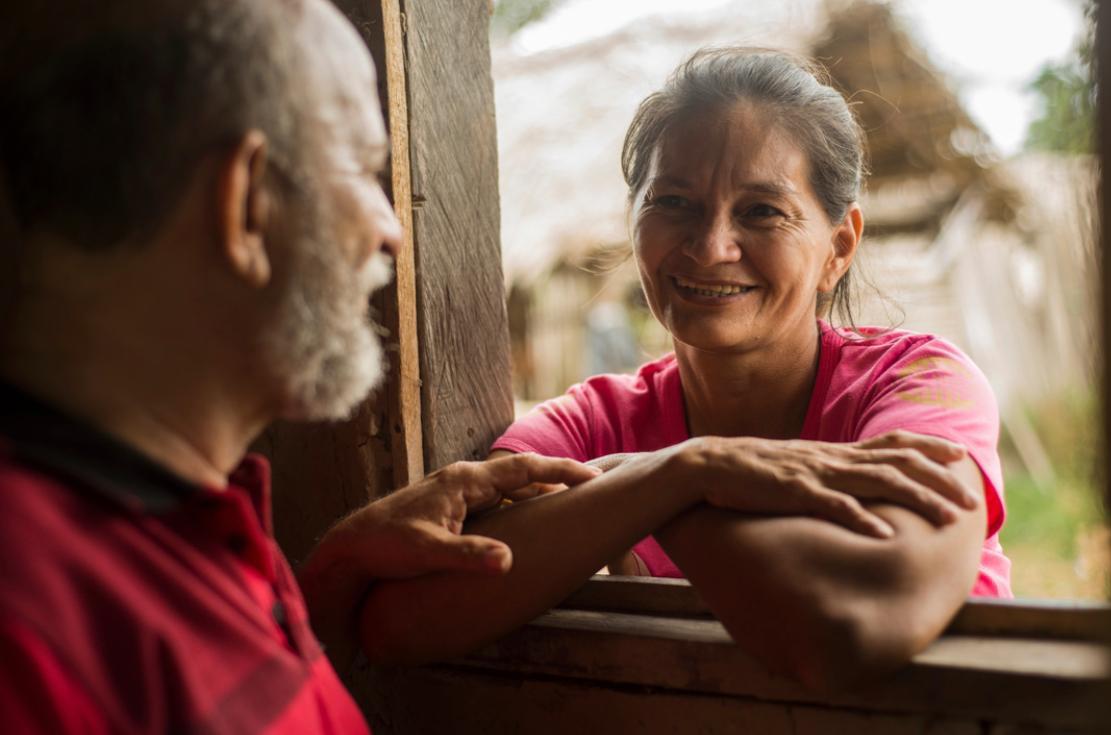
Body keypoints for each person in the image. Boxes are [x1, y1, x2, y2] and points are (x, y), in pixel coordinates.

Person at [0, 2, 603, 732]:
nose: (392, 232)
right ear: (246, 204)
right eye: (361, 168)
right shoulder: (34, 635)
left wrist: (333, 577)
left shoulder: (191, 526)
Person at [360, 48, 1010, 691]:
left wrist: (648, 487)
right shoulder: (591, 422)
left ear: (838, 247)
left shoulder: (917, 384)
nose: (709, 246)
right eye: (673, 201)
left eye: (761, 211)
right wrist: (684, 473)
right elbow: (402, 623)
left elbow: (852, 625)